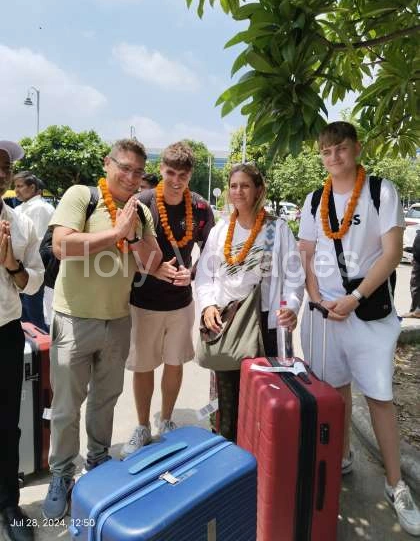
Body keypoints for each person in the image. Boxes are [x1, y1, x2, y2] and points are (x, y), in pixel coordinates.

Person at [298, 121, 420, 537]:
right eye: (326, 152)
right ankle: (342, 454)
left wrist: (356, 298)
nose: (334, 158)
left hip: (369, 312)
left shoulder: (381, 192)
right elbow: (307, 255)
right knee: (334, 391)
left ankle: (395, 484)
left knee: (380, 398)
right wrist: (317, 300)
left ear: (357, 149)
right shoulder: (314, 199)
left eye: (341, 149)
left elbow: (390, 254)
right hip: (326, 313)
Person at [42, 138, 162, 520]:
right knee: (65, 407)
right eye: (123, 167)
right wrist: (114, 234)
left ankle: (97, 464)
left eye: (137, 172)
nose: (130, 176)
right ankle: (61, 475)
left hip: (117, 320)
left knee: (105, 400)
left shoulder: (140, 211)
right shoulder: (82, 195)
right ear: (107, 164)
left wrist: (132, 235)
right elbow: (62, 245)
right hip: (74, 319)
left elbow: (152, 260)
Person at [195, 163, 304, 441]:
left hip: (264, 325)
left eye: (245, 185)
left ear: (258, 190)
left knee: (263, 399)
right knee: (227, 402)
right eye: (233, 186)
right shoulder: (221, 230)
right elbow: (205, 275)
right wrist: (208, 305)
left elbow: (294, 275)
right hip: (227, 325)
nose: (238, 191)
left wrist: (291, 306)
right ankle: (228, 453)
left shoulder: (275, 229)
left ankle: (260, 457)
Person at [121, 142, 214, 458]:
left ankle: (167, 420)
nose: (176, 180)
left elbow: (212, 252)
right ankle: (143, 425)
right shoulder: (142, 203)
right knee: (143, 365)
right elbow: (123, 249)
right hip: (143, 301)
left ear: (190, 175)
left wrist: (194, 273)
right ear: (160, 170)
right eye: (171, 172)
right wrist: (153, 268)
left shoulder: (200, 208)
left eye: (183, 175)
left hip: (181, 302)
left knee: (175, 363)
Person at [0, 140, 44, 541]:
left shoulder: (22, 225)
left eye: (3, 167)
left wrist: (11, 265)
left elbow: (34, 282)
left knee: (6, 423)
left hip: (5, 334)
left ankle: (8, 503)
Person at [14, 171, 55, 331]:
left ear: (32, 187)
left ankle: (43, 349)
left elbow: (35, 241)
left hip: (32, 266)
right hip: (18, 267)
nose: (16, 190)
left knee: (33, 312)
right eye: (15, 186)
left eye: (20, 186)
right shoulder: (20, 208)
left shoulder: (40, 208)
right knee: (23, 312)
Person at [402, 230, 420, 318]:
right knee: (415, 284)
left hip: (418, 259)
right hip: (417, 258)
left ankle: (416, 310)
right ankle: (416, 310)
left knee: (415, 284)